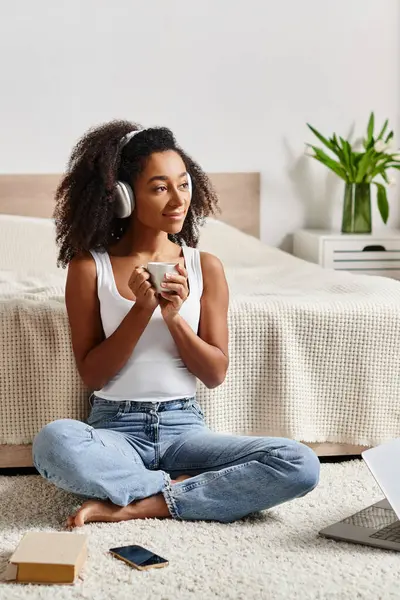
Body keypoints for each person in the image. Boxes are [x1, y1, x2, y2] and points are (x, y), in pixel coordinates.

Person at [32, 120, 320, 528]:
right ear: (125, 198)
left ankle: (142, 503)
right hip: (116, 430)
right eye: (160, 187)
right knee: (53, 444)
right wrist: (140, 311)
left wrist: (173, 318)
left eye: (183, 184)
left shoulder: (206, 267)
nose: (178, 199)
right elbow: (93, 375)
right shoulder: (88, 268)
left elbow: (215, 373)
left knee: (299, 463)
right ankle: (191, 490)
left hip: (185, 430)